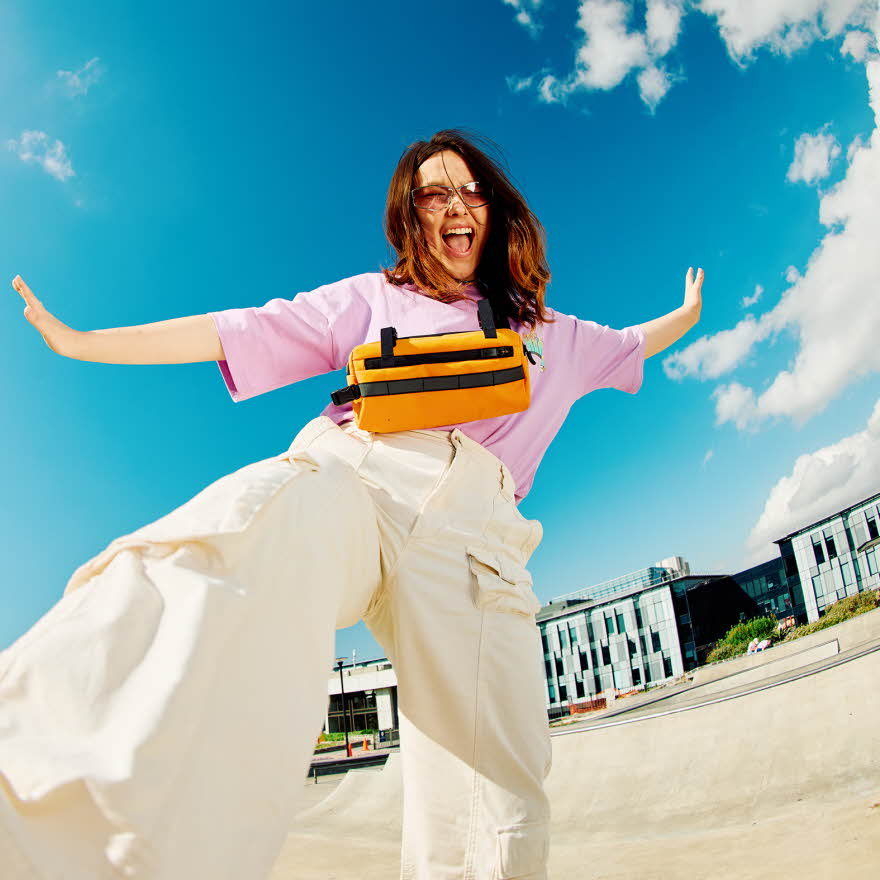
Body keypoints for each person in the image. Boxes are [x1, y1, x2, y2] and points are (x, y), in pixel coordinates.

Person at [1, 128, 704, 880]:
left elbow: (637, 341)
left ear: (493, 210)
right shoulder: (374, 298)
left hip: (477, 545)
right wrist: (82, 342)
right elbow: (242, 328)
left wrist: (689, 311)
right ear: (410, 215)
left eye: (471, 190)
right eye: (434, 192)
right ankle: (34, 800)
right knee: (238, 542)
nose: (456, 205)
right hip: (360, 479)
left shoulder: (555, 334)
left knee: (495, 804)